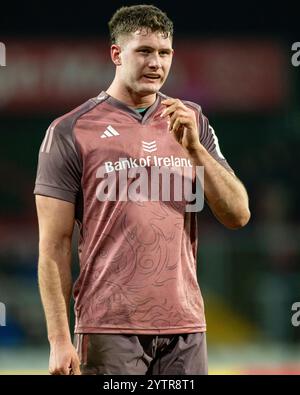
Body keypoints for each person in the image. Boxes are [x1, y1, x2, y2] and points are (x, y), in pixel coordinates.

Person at [34, 4, 250, 375]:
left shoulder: (192, 120)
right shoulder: (71, 130)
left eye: (164, 53)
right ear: (116, 54)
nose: (157, 63)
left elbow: (238, 215)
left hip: (185, 328)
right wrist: (58, 340)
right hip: (109, 328)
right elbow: (53, 246)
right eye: (145, 51)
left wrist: (196, 150)